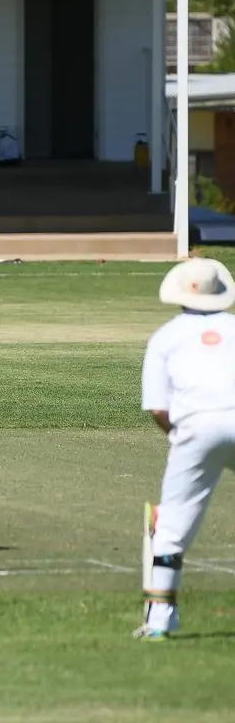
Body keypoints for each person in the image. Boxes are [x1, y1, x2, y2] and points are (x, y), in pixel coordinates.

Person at [136, 256, 235, 641]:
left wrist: (178, 438)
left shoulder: (166, 336)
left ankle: (160, 620)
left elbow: (158, 407)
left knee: (173, 527)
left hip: (195, 426)